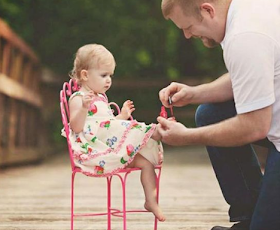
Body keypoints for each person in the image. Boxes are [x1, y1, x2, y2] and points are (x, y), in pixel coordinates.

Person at [157, 0, 280, 229]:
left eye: (188, 26)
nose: (186, 35)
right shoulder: (245, 12)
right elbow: (247, 78)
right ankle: (249, 215)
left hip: (267, 127)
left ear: (207, 10)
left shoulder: (245, 36)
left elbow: (254, 126)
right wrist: (193, 94)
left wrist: (187, 137)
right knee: (211, 113)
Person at [64, 44, 165, 221]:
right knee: (136, 130)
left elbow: (107, 126)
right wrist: (84, 109)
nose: (109, 80)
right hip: (95, 151)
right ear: (85, 75)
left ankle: (151, 201)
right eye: (104, 75)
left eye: (110, 75)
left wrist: (122, 116)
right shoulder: (78, 98)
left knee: (147, 164)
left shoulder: (101, 98)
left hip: (111, 148)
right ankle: (153, 131)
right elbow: (77, 127)